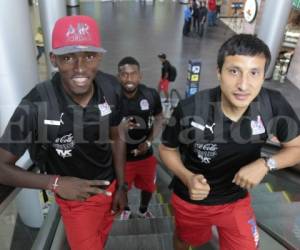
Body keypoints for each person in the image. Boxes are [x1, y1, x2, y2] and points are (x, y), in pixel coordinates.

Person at [159, 34, 300, 250]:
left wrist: (266, 164)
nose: (243, 85)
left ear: (264, 76)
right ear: (219, 72)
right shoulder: (191, 108)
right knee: (185, 240)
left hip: (236, 200)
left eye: (254, 73)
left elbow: (296, 147)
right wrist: (187, 178)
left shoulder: (273, 105)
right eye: (234, 71)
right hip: (191, 199)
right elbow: (167, 148)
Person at [0, 15, 126, 250]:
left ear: (99, 57)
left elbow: (117, 135)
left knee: (103, 236)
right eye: (68, 58)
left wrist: (121, 186)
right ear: (54, 59)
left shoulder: (111, 88)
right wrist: (55, 183)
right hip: (75, 202)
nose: (80, 69)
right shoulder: (36, 104)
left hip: (109, 190)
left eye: (89, 56)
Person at [117, 56, 163, 220]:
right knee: (122, 187)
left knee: (149, 187)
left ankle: (143, 210)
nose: (129, 78)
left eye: (133, 74)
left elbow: (159, 118)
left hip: (146, 157)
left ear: (140, 76)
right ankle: (126, 209)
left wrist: (149, 142)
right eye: (124, 74)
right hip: (121, 159)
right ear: (118, 77)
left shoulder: (150, 95)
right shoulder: (111, 98)